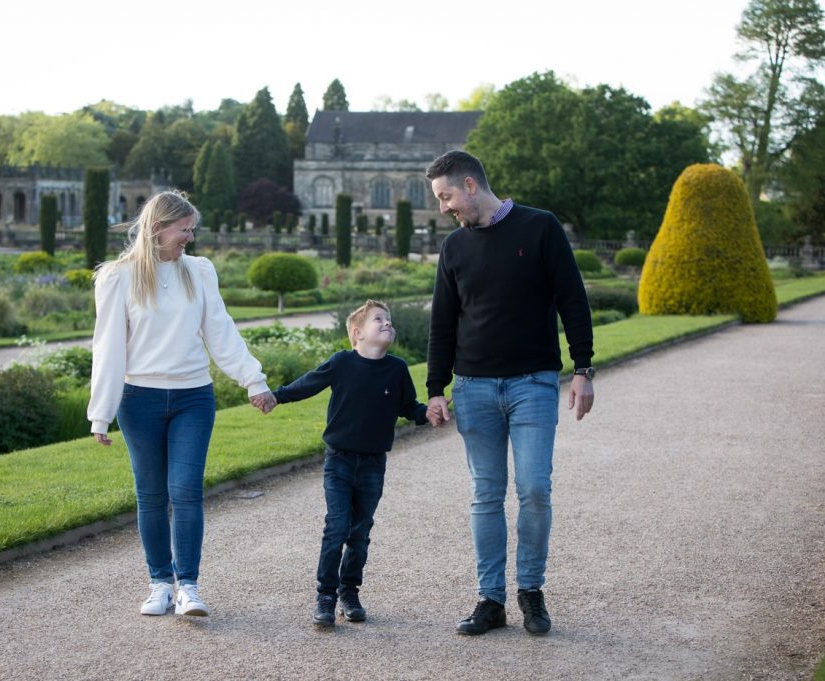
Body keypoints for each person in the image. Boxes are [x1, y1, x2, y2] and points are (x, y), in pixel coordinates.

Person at [424, 150, 595, 637]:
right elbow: (442, 323)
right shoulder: (455, 247)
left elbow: (572, 300)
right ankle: (490, 599)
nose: (443, 208)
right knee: (485, 495)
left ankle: (531, 591)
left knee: (535, 489)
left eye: (446, 196)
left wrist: (582, 368)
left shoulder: (540, 227)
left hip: (533, 384)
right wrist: (436, 388)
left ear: (471, 186)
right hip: (474, 386)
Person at [88, 190, 276, 618]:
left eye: (192, 229)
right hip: (139, 401)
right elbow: (108, 347)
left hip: (194, 397)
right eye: (184, 229)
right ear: (158, 228)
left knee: (186, 491)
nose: (190, 237)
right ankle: (160, 585)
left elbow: (221, 332)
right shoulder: (118, 277)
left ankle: (188, 586)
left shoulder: (200, 271)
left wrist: (254, 380)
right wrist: (101, 410)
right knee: (151, 495)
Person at [253, 300, 437, 627]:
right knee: (336, 526)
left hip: (373, 464)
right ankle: (326, 595)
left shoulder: (397, 369)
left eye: (389, 320)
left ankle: (349, 591)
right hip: (338, 460)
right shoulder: (341, 363)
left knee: (360, 531)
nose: (387, 324)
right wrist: (276, 395)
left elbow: (408, 407)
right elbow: (308, 383)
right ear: (357, 333)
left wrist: (428, 414)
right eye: (378, 320)